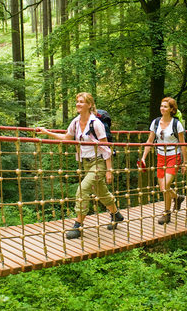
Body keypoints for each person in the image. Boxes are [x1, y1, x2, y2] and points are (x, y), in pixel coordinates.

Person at [36, 92, 124, 239]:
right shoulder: (76, 122)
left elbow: (106, 147)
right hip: (86, 163)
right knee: (100, 192)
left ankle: (78, 225)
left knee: (82, 189)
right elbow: (66, 138)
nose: (78, 104)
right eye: (77, 101)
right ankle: (116, 214)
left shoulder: (96, 123)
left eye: (82, 102)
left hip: (99, 163)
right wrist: (46, 132)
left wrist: (109, 170)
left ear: (89, 105)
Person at [140, 97, 187, 225]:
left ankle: (167, 213)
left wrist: (185, 162)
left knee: (166, 185)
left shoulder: (176, 124)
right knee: (163, 187)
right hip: (160, 157)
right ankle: (177, 198)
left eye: (165, 106)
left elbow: (183, 144)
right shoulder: (155, 123)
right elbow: (150, 141)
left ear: (172, 109)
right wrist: (143, 157)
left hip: (173, 156)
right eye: (161, 106)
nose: (162, 108)